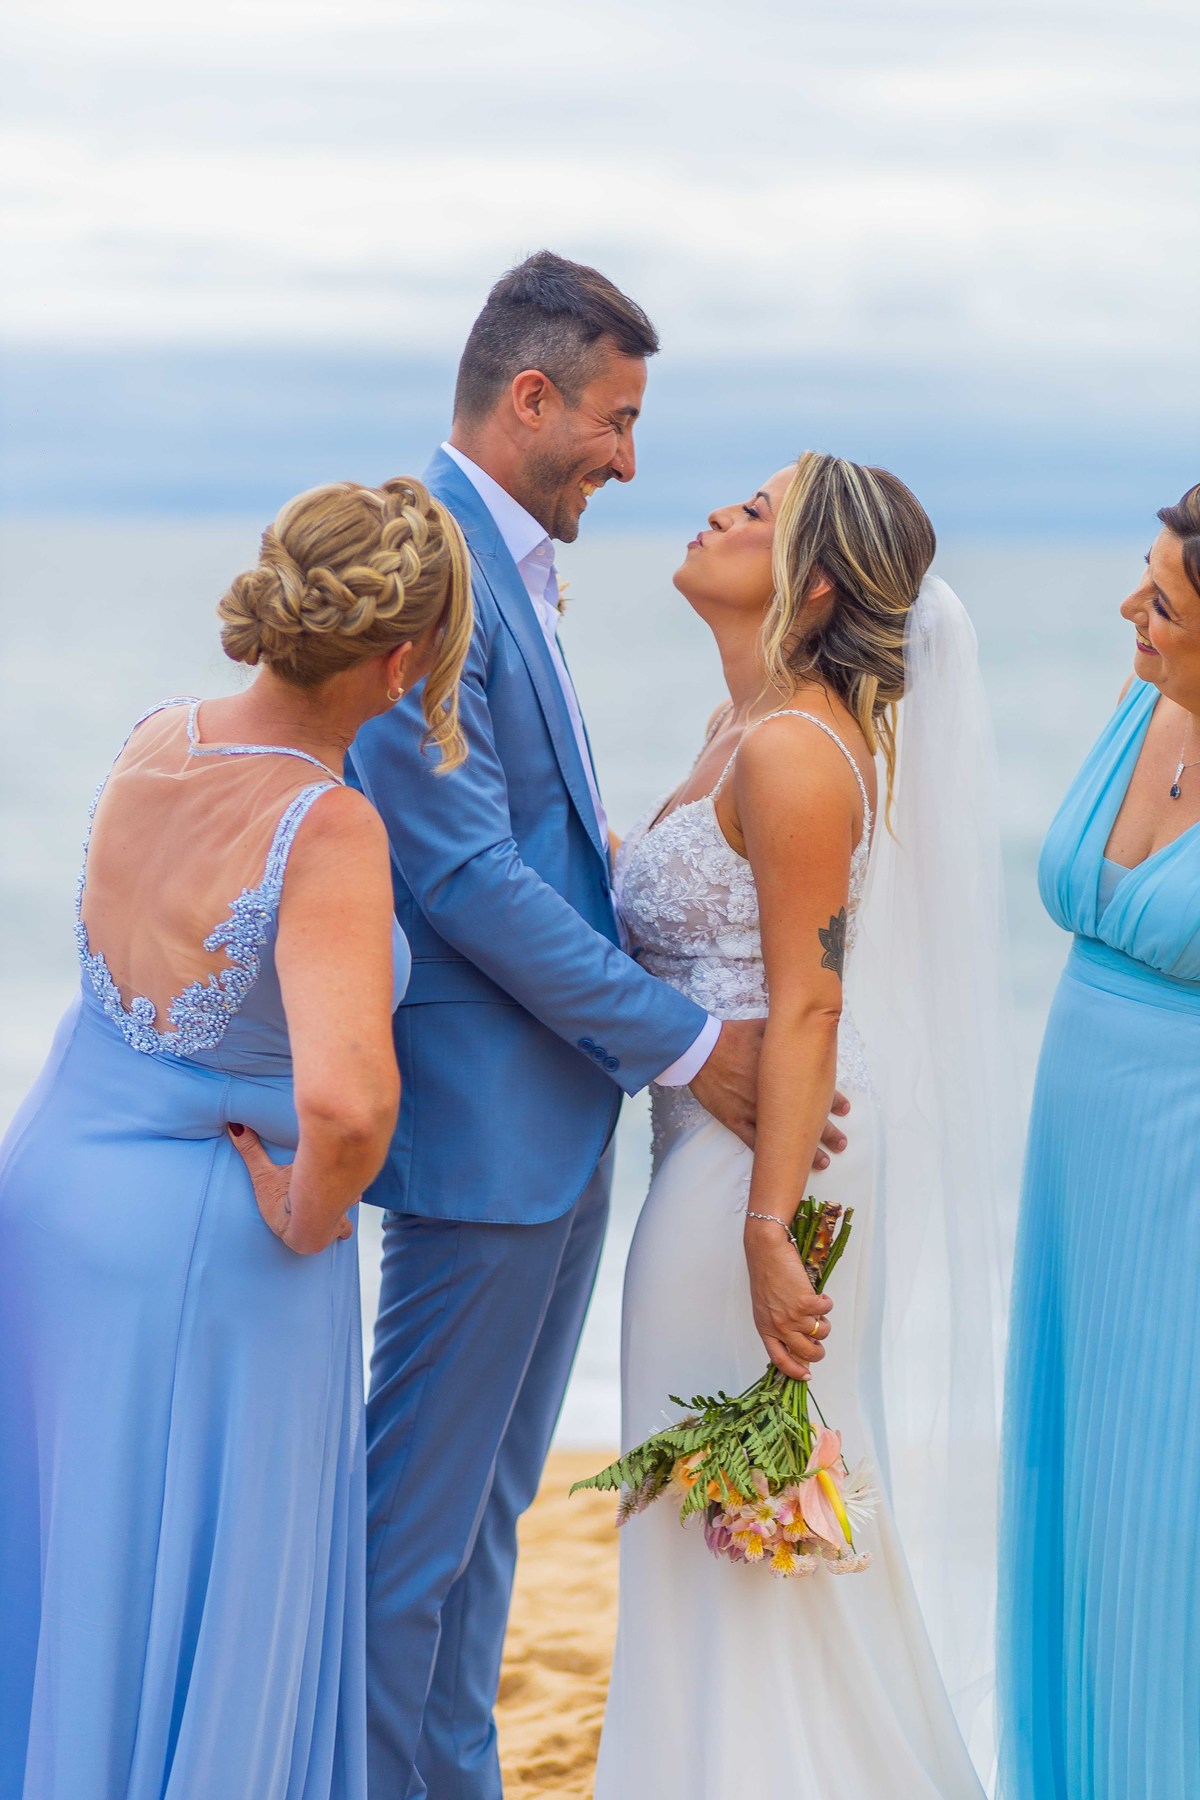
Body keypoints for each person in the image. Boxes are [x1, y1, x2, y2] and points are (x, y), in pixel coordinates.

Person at [348, 252, 851, 1800]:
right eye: (616, 422)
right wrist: (701, 1048)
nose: (629, 461)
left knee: (478, 1541)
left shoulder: (513, 569)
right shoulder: (427, 565)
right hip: (488, 1142)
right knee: (406, 1557)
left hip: (559, 1137)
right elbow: (471, 882)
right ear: (530, 395)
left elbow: (546, 856)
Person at [0, 477, 471, 1800]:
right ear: (398, 662)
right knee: (208, 1622)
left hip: (50, 1204)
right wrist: (316, 1211)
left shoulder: (156, 737)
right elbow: (350, 1101)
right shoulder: (328, 826)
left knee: (71, 1589)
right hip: (203, 1265)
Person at [596, 452, 1010, 1798]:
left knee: (739, 1515)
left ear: (812, 579)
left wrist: (772, 1231)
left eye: (758, 512)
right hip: (722, 1150)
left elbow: (813, 1003)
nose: (720, 510)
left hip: (764, 1172)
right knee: (719, 1523)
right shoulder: (746, 727)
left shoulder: (792, 749)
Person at [998, 484, 1200, 1800]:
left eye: (1166, 601)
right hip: (1076, 1157)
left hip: (1180, 1167)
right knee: (1069, 1482)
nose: (1132, 606)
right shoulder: (1144, 699)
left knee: (1160, 1511)